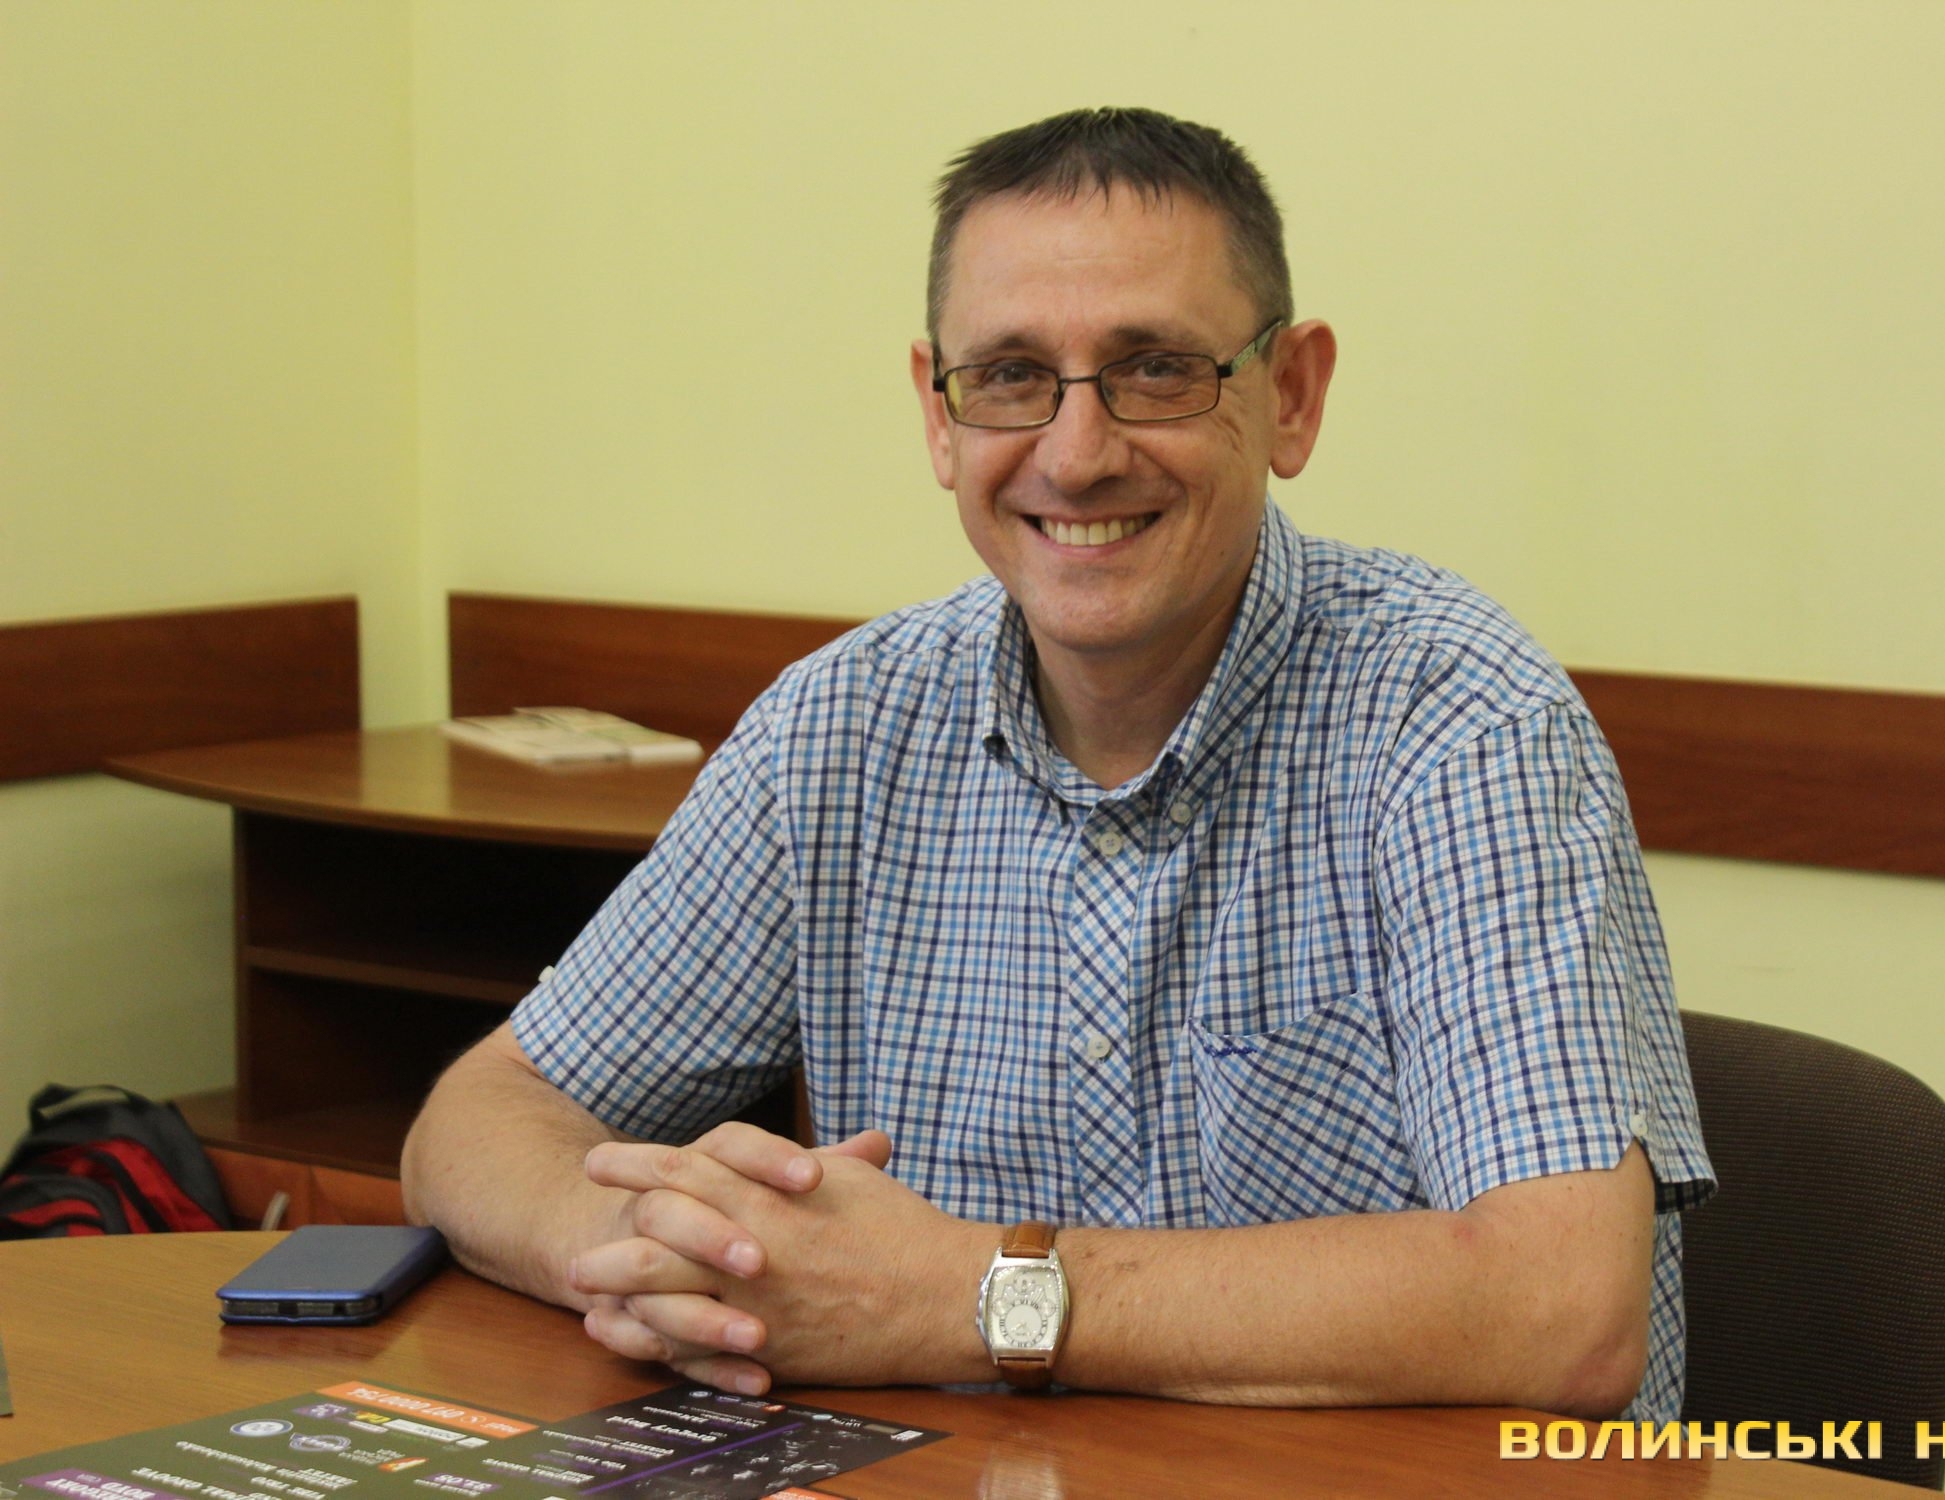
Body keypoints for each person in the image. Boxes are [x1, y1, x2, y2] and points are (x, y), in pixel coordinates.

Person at [402, 106, 1712, 1420]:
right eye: (1012, 376)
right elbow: (481, 1118)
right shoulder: (840, 728)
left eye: (1157, 369)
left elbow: (1561, 1308)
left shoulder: (1457, 717)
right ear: (939, 414)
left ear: (1291, 396)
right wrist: (662, 1259)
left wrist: (961, 1295)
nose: (1076, 456)